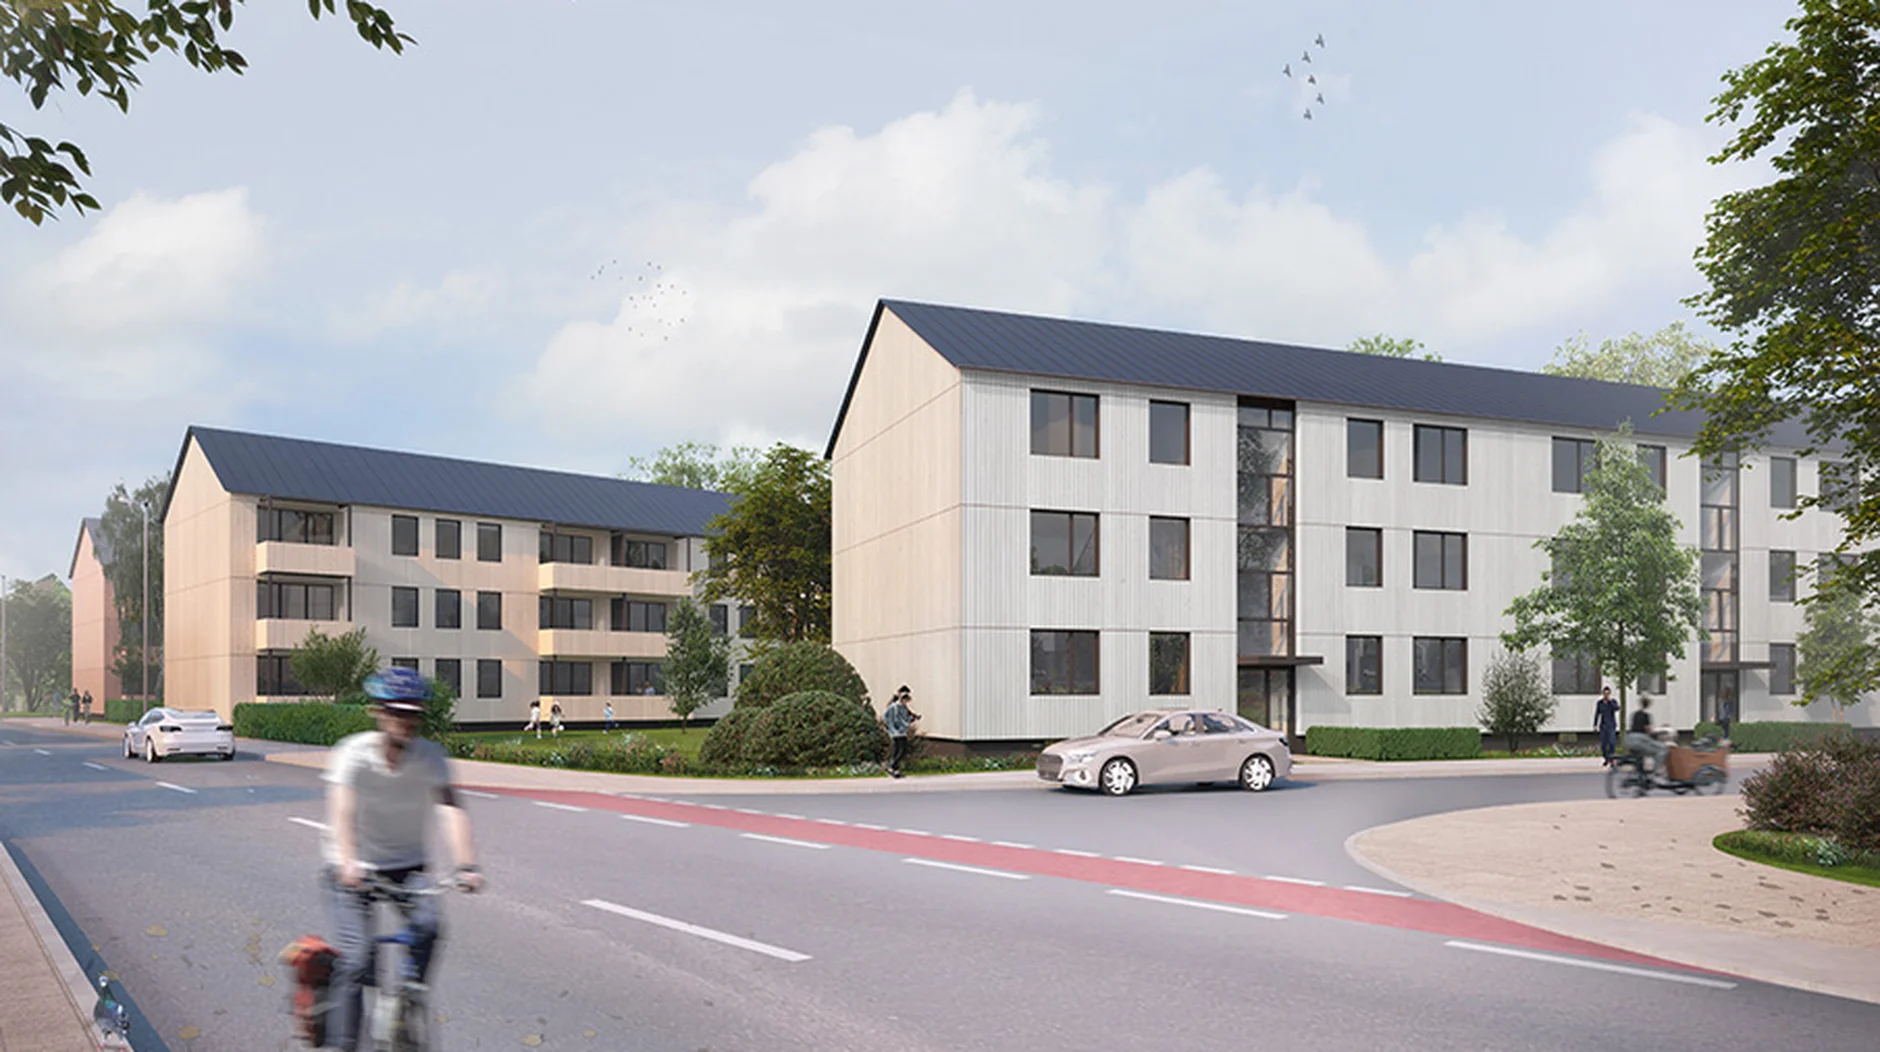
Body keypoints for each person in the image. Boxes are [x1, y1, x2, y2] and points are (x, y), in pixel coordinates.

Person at [321, 667, 481, 1052]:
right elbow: (342, 811)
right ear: (378, 711)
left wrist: (466, 864)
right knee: (359, 957)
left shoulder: (431, 756)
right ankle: (341, 1045)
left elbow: (449, 808)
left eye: (412, 712)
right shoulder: (353, 753)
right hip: (352, 870)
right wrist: (348, 860)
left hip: (408, 866)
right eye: (396, 711)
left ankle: (409, 998)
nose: (405, 720)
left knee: (429, 926)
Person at [1625, 695, 1667, 779]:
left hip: (1630, 739)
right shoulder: (1646, 715)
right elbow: (1648, 729)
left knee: (1641, 756)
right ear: (1648, 705)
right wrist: (1660, 731)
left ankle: (1642, 777)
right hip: (1640, 740)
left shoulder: (1634, 714)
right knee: (1662, 750)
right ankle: (1656, 770)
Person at [882, 686, 919, 778]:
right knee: (898, 750)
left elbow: (905, 719)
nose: (906, 702)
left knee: (902, 750)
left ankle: (895, 769)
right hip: (896, 731)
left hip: (902, 731)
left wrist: (912, 719)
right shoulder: (894, 707)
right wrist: (893, 728)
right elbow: (890, 718)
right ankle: (891, 767)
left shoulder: (903, 707)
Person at [1594, 687, 1620, 766]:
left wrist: (1610, 702)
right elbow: (1597, 714)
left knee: (1612, 742)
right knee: (1603, 744)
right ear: (1603, 694)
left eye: (1607, 693)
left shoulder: (1613, 702)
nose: (1606, 695)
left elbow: (1617, 708)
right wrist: (1595, 724)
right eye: (1605, 693)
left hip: (1611, 725)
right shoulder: (1600, 703)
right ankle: (1606, 758)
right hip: (1603, 726)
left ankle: (1612, 759)